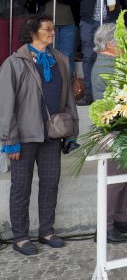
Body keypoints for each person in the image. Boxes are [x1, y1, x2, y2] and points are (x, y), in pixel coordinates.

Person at [0, 14, 79, 256]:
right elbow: (6, 105)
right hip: (24, 137)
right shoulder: (14, 63)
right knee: (21, 187)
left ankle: (46, 231)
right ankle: (20, 237)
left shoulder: (61, 60)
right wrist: (9, 141)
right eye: (48, 29)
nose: (53, 33)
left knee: (50, 184)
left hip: (53, 135)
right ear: (34, 33)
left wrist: (72, 130)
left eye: (54, 29)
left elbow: (68, 100)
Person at [90, 23, 127, 243]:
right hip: (112, 132)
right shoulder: (106, 66)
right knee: (114, 181)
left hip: (123, 129)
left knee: (125, 177)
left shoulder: (114, 63)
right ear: (111, 44)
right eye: (124, 41)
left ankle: (120, 218)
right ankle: (105, 227)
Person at [77, 0, 125, 105]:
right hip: (90, 18)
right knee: (89, 55)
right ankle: (90, 93)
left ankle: (111, 92)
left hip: (109, 19)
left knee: (112, 55)